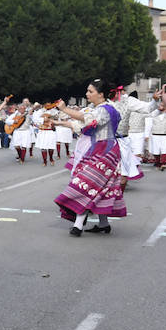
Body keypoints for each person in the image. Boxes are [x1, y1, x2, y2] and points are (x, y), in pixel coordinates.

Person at [52, 80, 126, 236]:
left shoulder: (105, 110)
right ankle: (104, 224)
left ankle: (78, 226)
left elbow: (87, 120)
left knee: (86, 185)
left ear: (101, 94)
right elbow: (81, 123)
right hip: (101, 149)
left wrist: (64, 109)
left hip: (103, 151)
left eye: (90, 91)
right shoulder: (100, 109)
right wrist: (57, 122)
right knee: (101, 188)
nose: (87, 94)